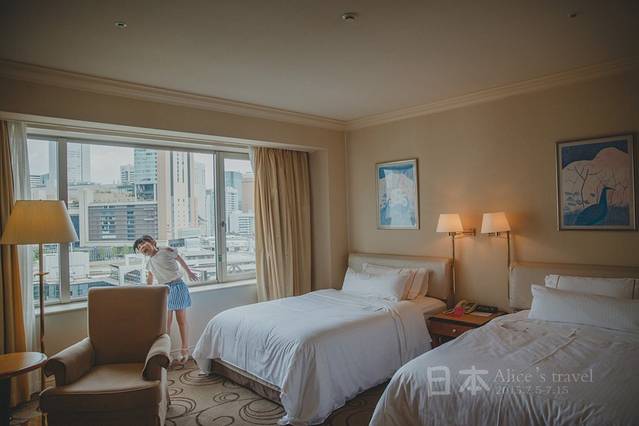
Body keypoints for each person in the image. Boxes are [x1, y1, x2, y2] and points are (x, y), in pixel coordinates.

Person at [133, 235, 197, 363]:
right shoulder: (149, 263)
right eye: (139, 248)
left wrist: (189, 272)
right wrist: (148, 292)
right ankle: (166, 352)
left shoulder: (165, 250)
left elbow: (179, 258)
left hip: (177, 286)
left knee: (181, 320)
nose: (141, 248)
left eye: (143, 244)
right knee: (166, 323)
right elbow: (150, 277)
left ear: (152, 242)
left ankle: (184, 349)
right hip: (164, 289)